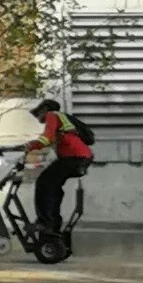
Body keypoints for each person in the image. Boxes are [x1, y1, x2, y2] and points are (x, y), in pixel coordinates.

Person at [31, 94, 95, 253]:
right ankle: (52, 223)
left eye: (39, 113)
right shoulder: (63, 120)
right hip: (79, 157)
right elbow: (53, 143)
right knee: (52, 186)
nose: (38, 117)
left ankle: (47, 222)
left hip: (75, 157)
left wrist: (28, 146)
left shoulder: (53, 116)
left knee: (44, 183)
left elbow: (46, 139)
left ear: (45, 109)